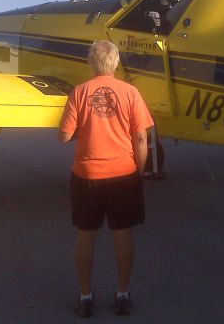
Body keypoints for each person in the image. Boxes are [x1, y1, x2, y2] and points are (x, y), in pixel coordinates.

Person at [58, 40, 154, 317]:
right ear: (116, 62)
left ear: (91, 62)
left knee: (85, 236)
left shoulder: (79, 92)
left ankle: (86, 297)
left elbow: (64, 136)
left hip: (86, 176)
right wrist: (139, 172)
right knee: (122, 235)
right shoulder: (131, 92)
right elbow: (140, 137)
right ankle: (122, 295)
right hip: (123, 175)